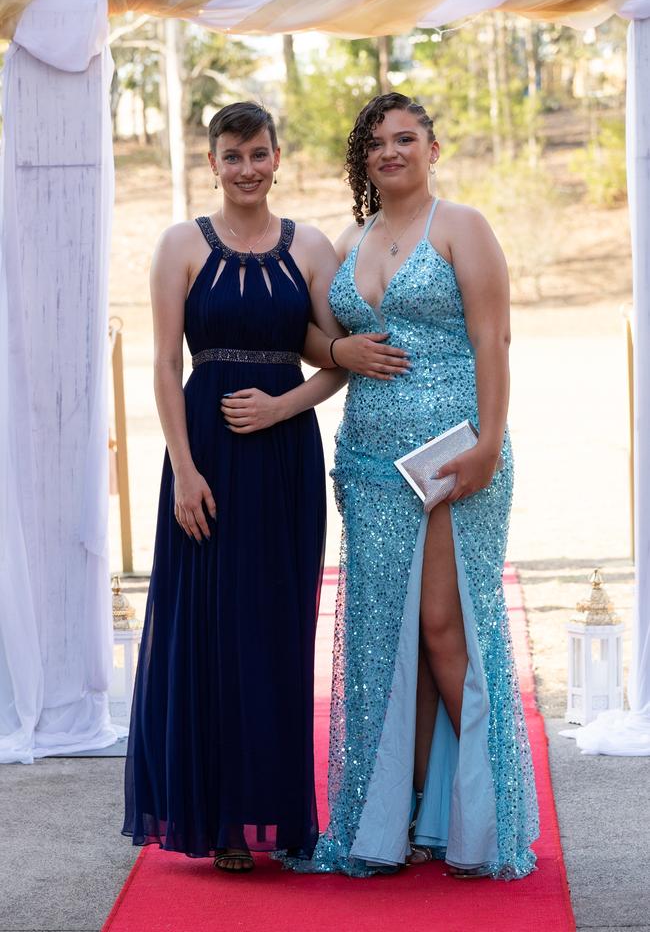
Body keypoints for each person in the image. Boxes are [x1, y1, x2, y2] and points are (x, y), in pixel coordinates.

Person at [121, 101, 407, 873]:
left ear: (278, 157)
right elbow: (160, 366)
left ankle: (272, 819)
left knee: (276, 634)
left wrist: (287, 400)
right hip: (205, 457)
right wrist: (183, 469)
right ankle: (216, 819)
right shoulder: (180, 244)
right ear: (212, 163)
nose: (246, 168)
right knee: (206, 632)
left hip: (282, 460)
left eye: (258, 154)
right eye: (232, 156)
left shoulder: (309, 245)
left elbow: (326, 354)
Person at [292, 92, 539, 879]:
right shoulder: (348, 239)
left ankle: (491, 817)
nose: (390, 152)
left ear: (434, 148)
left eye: (406, 139)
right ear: (362, 160)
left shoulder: (462, 227)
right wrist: (340, 354)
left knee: (442, 630)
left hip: (452, 459)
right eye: (376, 142)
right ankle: (409, 821)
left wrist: (491, 443)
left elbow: (492, 337)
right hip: (367, 466)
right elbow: (310, 333)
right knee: (384, 643)